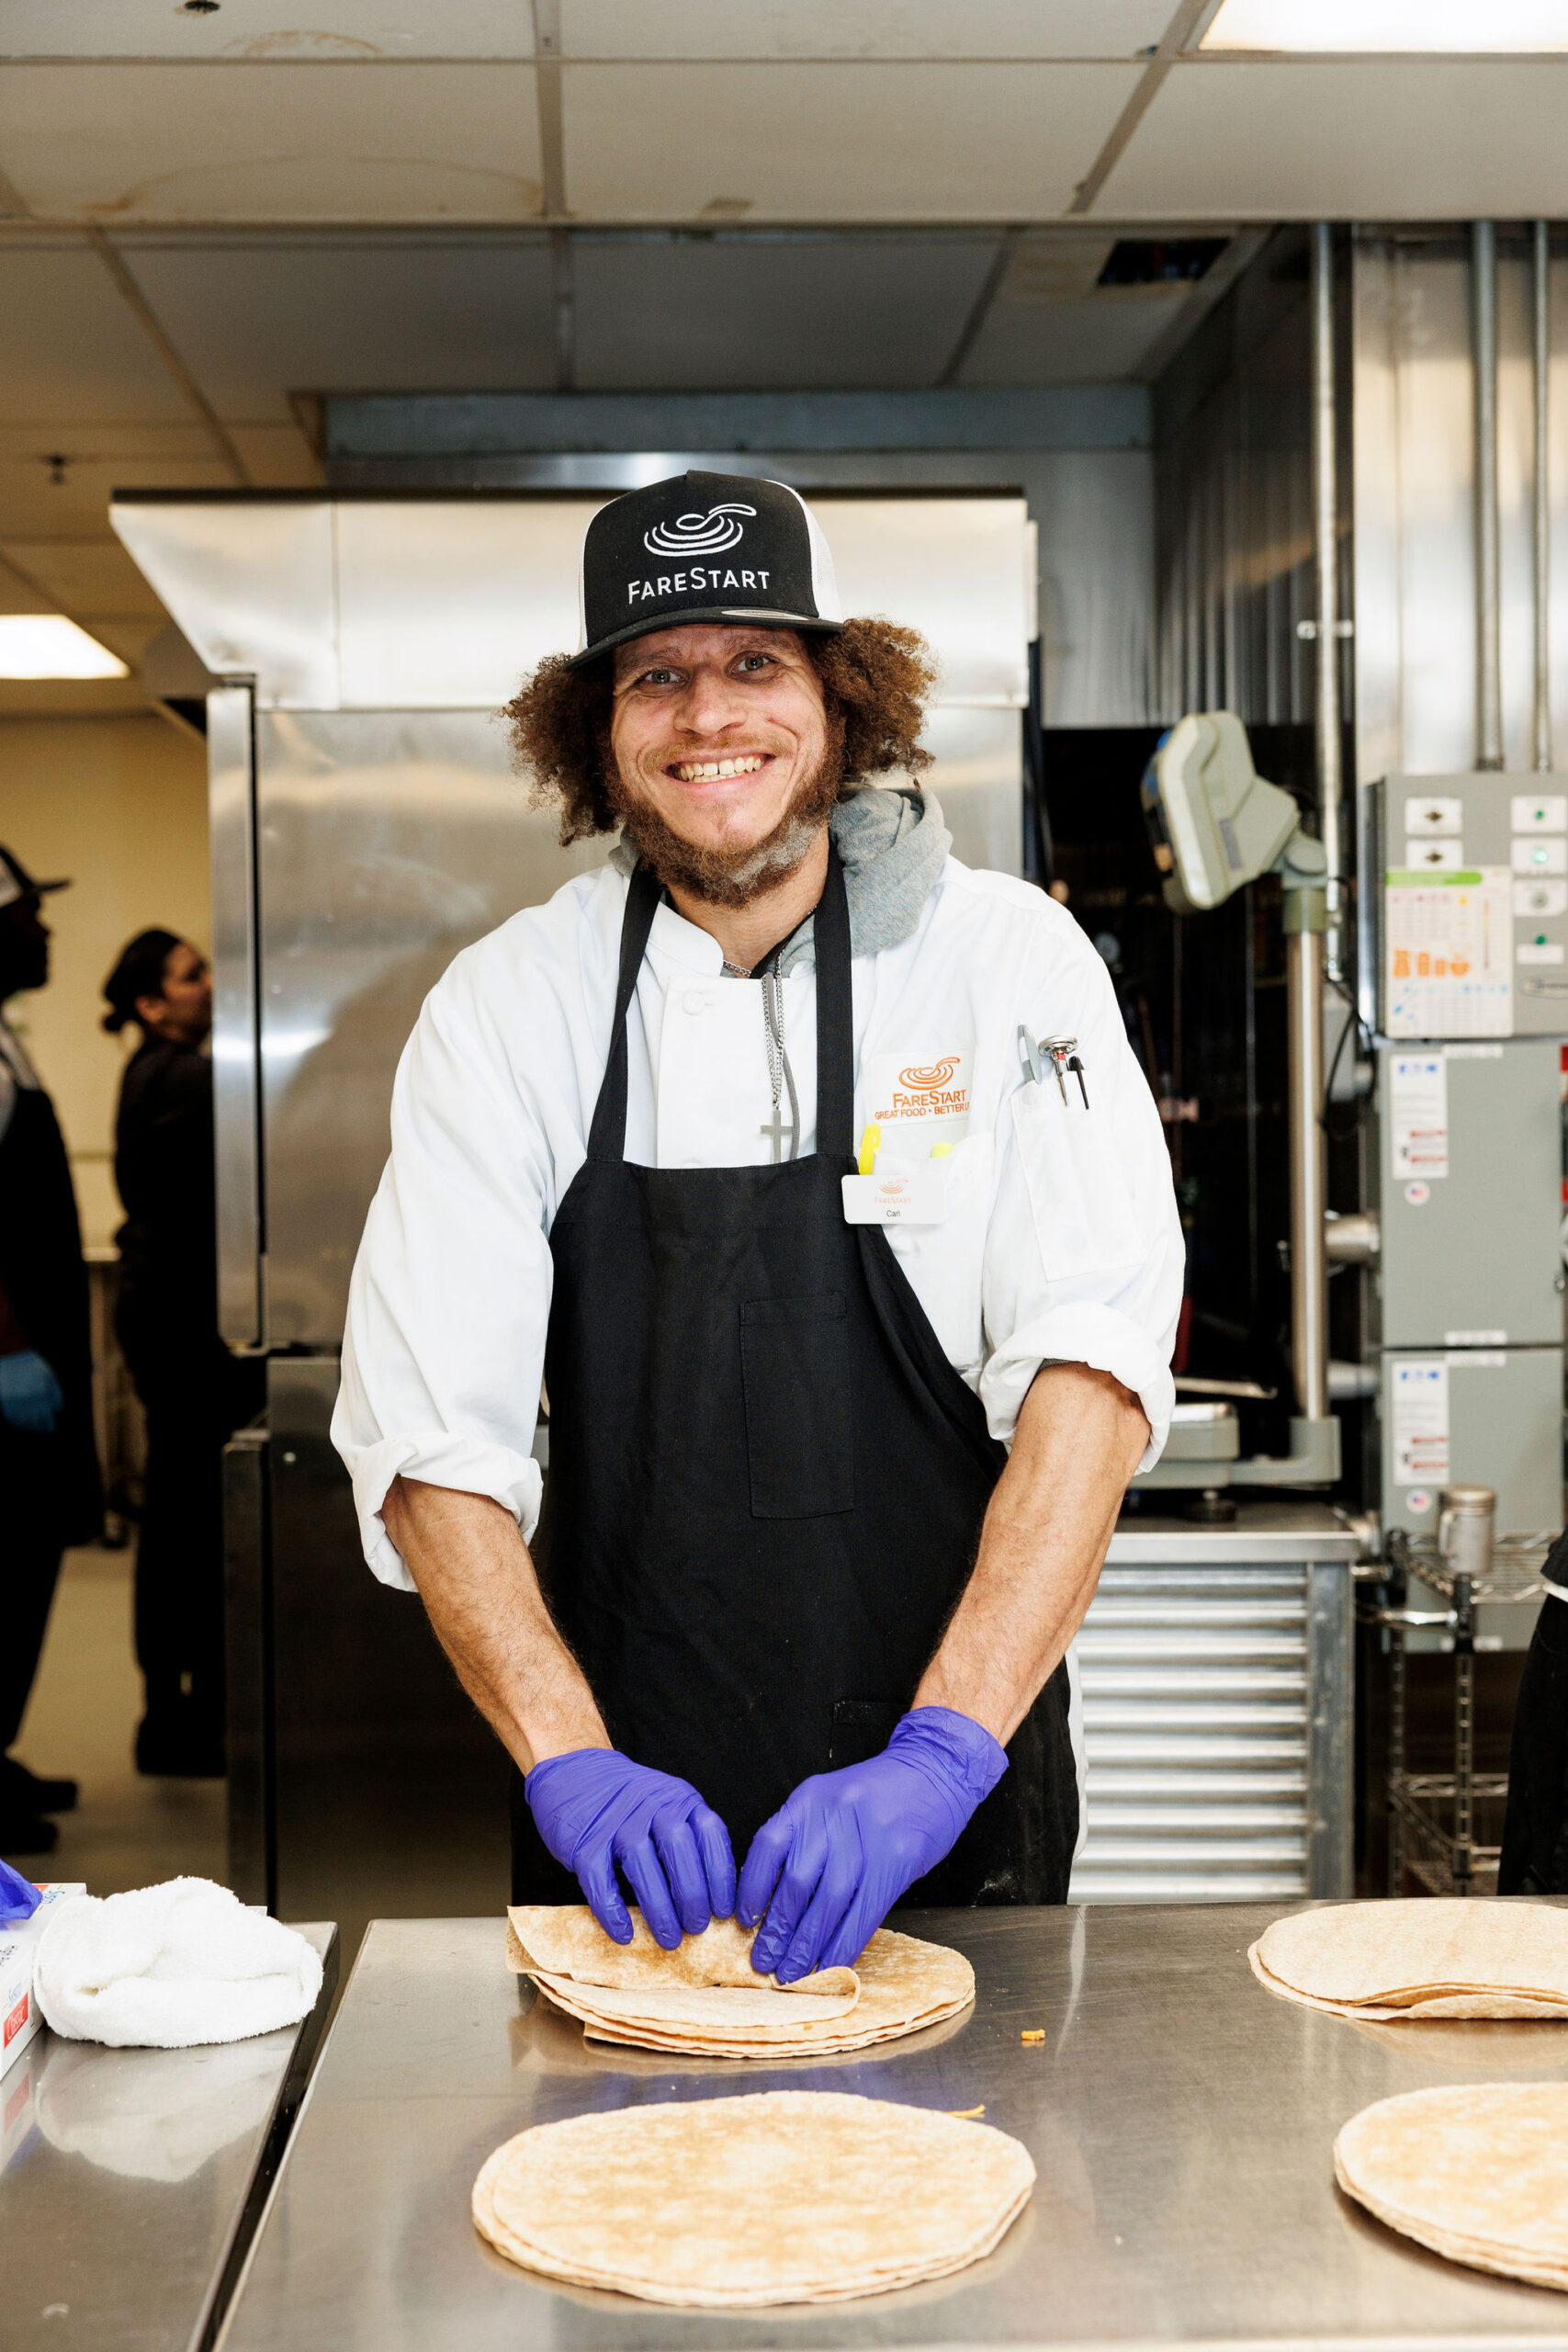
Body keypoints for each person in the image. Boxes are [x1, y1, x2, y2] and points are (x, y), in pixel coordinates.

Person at [333, 471, 1183, 1977]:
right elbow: (423, 1436)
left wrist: (939, 1755)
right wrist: (567, 1759)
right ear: (594, 730)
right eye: (655, 675)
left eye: (753, 664)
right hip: (619, 1833)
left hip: (948, 1802)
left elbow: (1088, 1377)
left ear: (841, 700)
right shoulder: (509, 1005)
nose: (705, 716)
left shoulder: (1009, 967)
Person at [104, 927, 261, 1775]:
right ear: (151, 1004)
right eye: (191, 975)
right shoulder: (180, 1078)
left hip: (176, 1318)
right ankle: (174, 1719)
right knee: (185, 1523)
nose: (210, 983)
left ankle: (179, 1709)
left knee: (185, 1518)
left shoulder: (160, 1071)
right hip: (177, 1325)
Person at [0, 845, 98, 1855]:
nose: (44, 929)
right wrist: (8, 1345)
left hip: (33, 1365)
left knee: (25, 1570)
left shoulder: (7, 1039)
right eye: (29, 913)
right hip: (4, 1376)